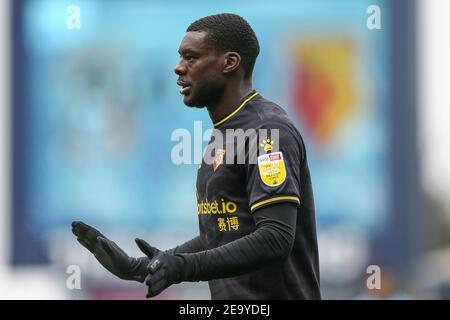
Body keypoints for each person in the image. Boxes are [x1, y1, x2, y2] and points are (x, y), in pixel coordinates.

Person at [72, 13, 321, 300]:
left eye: (191, 58)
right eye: (180, 58)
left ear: (230, 63)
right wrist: (143, 267)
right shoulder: (224, 134)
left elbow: (276, 237)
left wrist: (182, 268)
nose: (178, 68)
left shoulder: (266, 130)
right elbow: (224, 234)